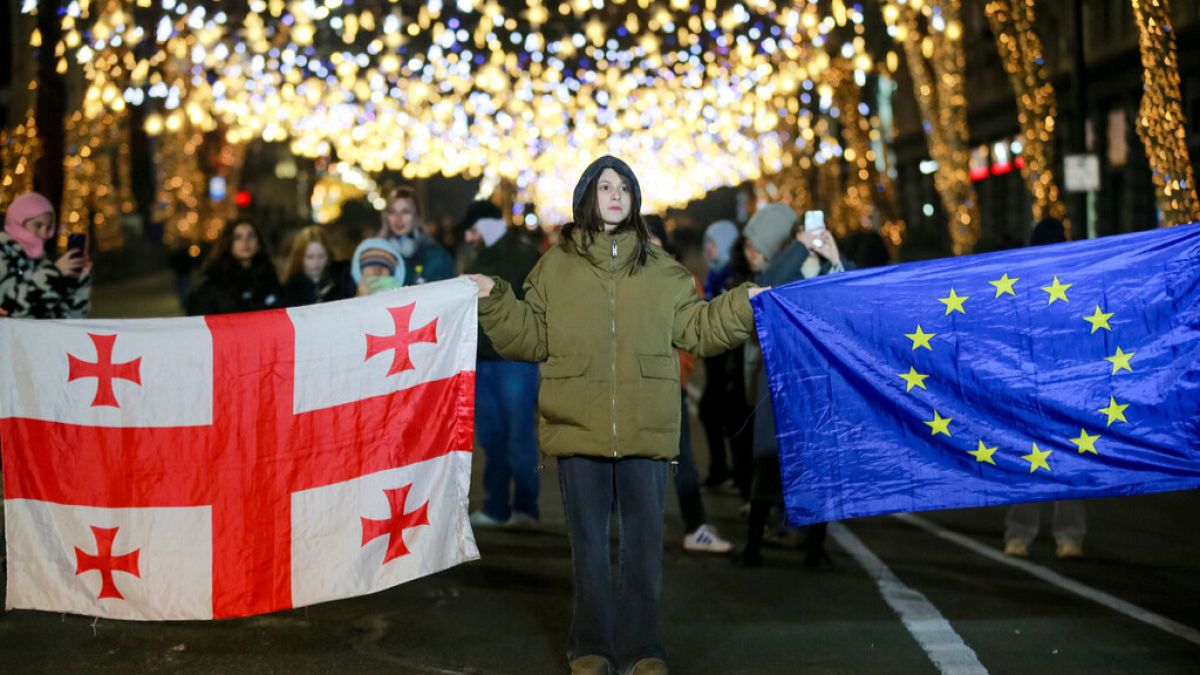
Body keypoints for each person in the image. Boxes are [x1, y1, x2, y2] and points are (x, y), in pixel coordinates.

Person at [468, 156, 762, 675]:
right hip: (577, 426)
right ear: (587, 196)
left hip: (646, 427)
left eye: (624, 185)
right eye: (605, 185)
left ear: (635, 198)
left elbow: (697, 329)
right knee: (589, 552)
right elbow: (530, 336)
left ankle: (643, 647)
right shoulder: (554, 267)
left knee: (644, 551)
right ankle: (590, 646)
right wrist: (495, 299)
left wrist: (743, 305)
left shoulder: (663, 269)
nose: (615, 193)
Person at [738, 204, 846, 569]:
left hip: (818, 384)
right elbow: (767, 282)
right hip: (782, 381)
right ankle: (752, 545)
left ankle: (815, 547)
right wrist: (799, 247)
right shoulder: (787, 264)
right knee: (770, 467)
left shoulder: (831, 263)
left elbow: (855, 293)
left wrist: (834, 256)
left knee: (821, 466)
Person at [644, 214, 733, 554]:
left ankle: (695, 525)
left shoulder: (681, 279)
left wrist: (679, 369)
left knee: (680, 458)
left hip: (668, 385)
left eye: (652, 240)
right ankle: (636, 527)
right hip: (631, 386)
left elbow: (693, 333)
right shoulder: (619, 277)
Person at [1004, 216, 1086, 559]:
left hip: (1038, 384)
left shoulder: (1023, 282)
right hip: (1059, 385)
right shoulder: (1064, 280)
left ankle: (1021, 536)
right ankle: (1067, 537)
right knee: (1063, 459)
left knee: (1030, 459)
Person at [459, 201, 543, 528]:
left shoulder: (523, 256)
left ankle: (524, 506)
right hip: (481, 359)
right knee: (491, 437)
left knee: (518, 435)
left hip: (514, 362)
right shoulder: (473, 255)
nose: (470, 236)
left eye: (474, 228)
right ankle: (496, 505)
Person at [697, 219, 742, 490]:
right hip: (717, 360)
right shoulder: (715, 275)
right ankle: (724, 469)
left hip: (728, 360)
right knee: (712, 413)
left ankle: (732, 472)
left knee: (724, 416)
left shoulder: (732, 276)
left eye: (712, 244)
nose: (707, 250)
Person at [0, 192, 91, 319]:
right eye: (38, 225)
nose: (44, 234)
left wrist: (78, 281)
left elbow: (69, 317)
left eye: (48, 227)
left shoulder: (42, 263)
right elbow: (8, 310)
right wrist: (54, 273)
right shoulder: (3, 254)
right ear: (18, 222)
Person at [186, 220, 283, 316]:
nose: (245, 242)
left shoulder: (268, 275)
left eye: (251, 236)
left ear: (259, 243)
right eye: (238, 237)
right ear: (228, 243)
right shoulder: (215, 281)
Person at [379, 186, 454, 286]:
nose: (398, 218)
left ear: (417, 217)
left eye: (405, 211)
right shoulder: (376, 255)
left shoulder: (437, 257)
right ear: (386, 217)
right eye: (392, 212)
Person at [281, 225, 353, 307]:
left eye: (321, 256)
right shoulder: (290, 291)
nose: (316, 263)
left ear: (328, 256)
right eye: (310, 257)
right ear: (299, 258)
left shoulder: (343, 279)